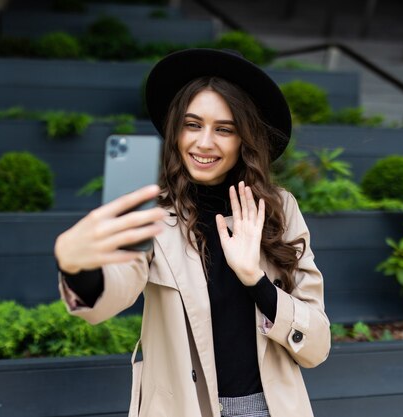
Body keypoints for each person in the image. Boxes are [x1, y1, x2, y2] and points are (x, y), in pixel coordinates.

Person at [54, 48, 331, 417]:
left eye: (224, 129)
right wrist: (79, 269)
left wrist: (254, 279)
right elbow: (116, 287)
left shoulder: (280, 209)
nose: (204, 143)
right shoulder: (152, 211)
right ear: (176, 130)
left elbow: (317, 344)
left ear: (244, 139)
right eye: (192, 124)